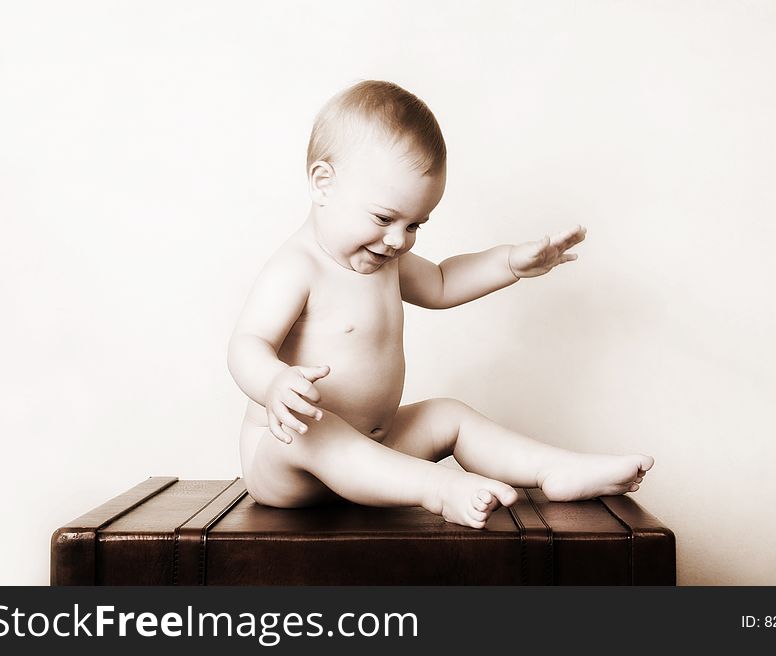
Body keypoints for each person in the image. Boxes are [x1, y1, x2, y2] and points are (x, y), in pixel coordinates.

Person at [228, 80, 653, 529]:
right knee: (317, 427)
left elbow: (443, 282)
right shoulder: (298, 267)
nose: (397, 240)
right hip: (287, 457)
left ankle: (555, 470)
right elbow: (246, 343)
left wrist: (510, 262)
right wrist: (274, 383)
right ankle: (438, 488)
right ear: (323, 183)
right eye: (384, 217)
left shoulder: (385, 259)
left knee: (446, 414)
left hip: (375, 453)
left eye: (415, 225)